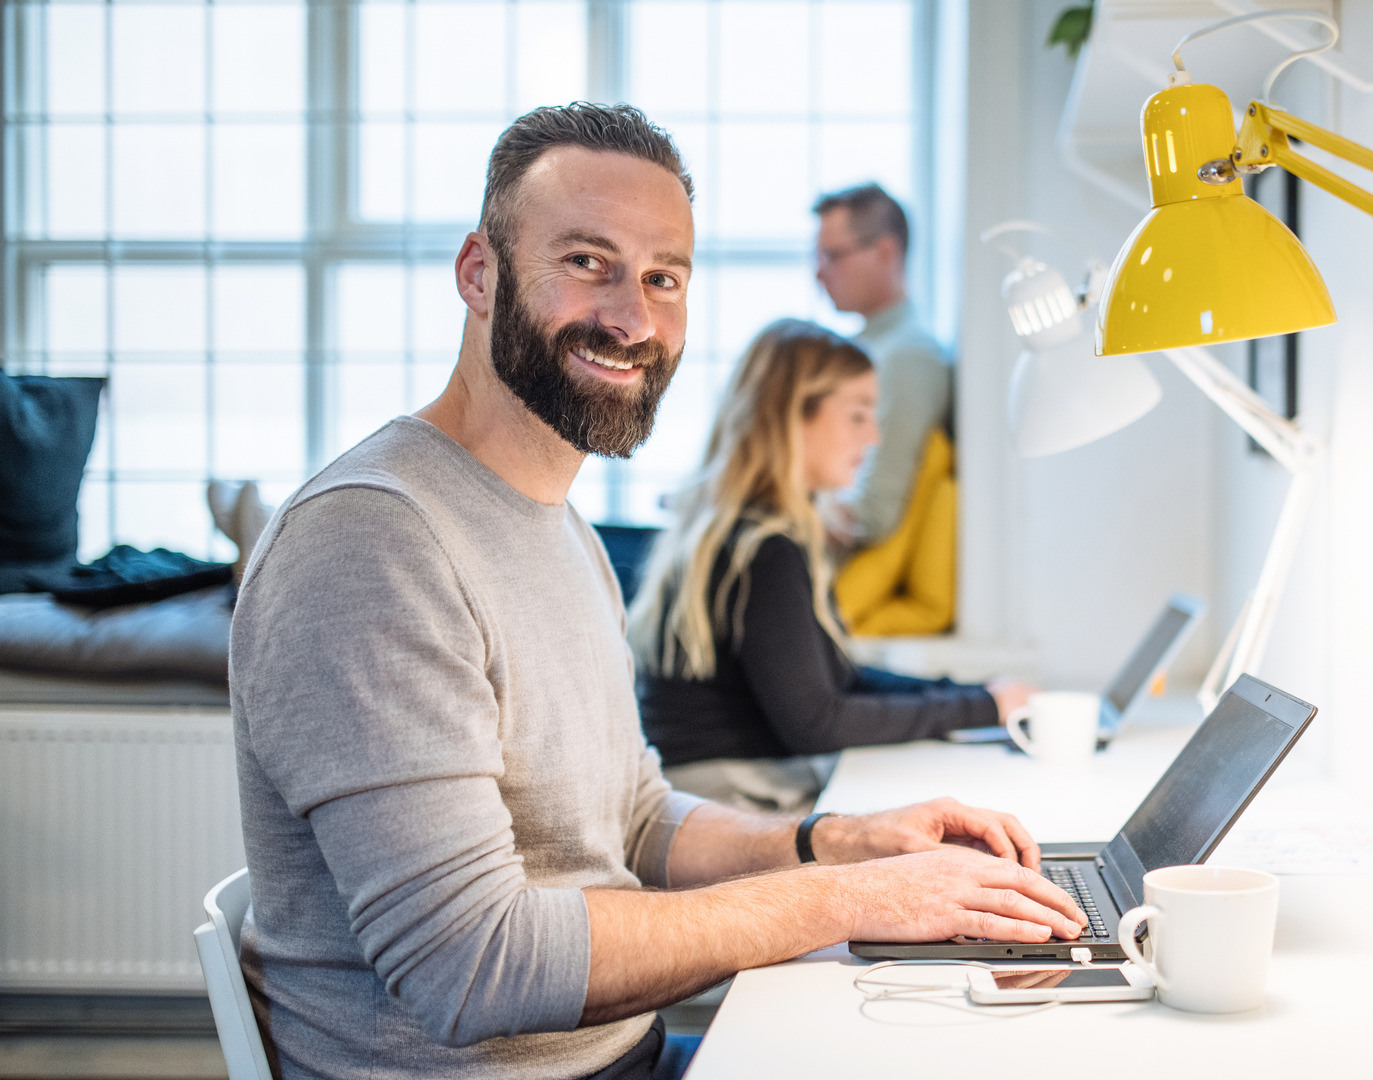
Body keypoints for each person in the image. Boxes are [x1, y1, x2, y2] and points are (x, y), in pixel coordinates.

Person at [228, 104, 1083, 1080]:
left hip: (621, 1056)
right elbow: (470, 969)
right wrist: (856, 899)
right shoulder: (371, 543)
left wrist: (845, 843)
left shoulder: (564, 531)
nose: (632, 319)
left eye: (662, 278)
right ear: (479, 273)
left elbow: (634, 820)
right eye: (586, 261)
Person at [631, 319, 1034, 812]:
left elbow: (838, 678)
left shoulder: (745, 530)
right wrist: (982, 707)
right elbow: (817, 722)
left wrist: (977, 697)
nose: (873, 436)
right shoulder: (763, 549)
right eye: (858, 415)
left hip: (719, 791)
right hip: (730, 802)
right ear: (793, 416)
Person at [811, 184, 949, 551]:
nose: (818, 273)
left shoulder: (907, 358)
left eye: (831, 256)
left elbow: (870, 513)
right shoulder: (868, 348)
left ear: (885, 252)